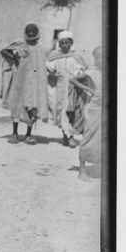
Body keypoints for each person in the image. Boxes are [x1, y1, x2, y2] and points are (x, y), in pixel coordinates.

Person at [0, 22, 49, 144]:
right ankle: (15, 133)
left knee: (32, 107)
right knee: (17, 106)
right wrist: (15, 58)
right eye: (28, 32)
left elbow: (42, 69)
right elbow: (4, 51)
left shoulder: (40, 49)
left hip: (34, 83)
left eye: (33, 31)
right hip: (20, 81)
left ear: (37, 33)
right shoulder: (21, 45)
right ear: (25, 33)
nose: (31, 33)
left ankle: (28, 134)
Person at [45, 30, 88, 147]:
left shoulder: (75, 57)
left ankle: (70, 135)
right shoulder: (55, 57)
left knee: (71, 111)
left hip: (73, 88)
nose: (64, 45)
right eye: (62, 43)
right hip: (60, 88)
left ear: (71, 43)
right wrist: (52, 75)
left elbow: (81, 70)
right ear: (59, 44)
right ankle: (67, 136)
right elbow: (48, 69)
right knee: (62, 111)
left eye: (67, 43)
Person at [73, 45, 103, 181]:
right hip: (95, 108)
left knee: (101, 139)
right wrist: (89, 89)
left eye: (103, 56)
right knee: (88, 136)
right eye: (98, 57)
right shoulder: (92, 72)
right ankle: (82, 171)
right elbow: (73, 79)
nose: (101, 59)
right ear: (94, 58)